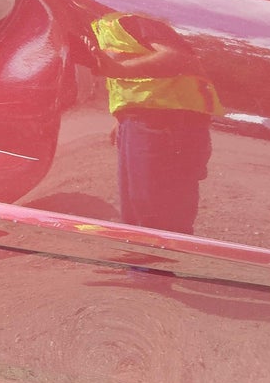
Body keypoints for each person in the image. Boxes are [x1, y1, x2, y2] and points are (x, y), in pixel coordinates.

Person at [90, 13, 223, 234]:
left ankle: (159, 255)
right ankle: (140, 254)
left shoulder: (134, 18)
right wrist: (122, 118)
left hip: (166, 121)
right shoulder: (106, 22)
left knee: (159, 214)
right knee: (137, 210)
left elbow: (178, 58)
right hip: (141, 119)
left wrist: (121, 69)